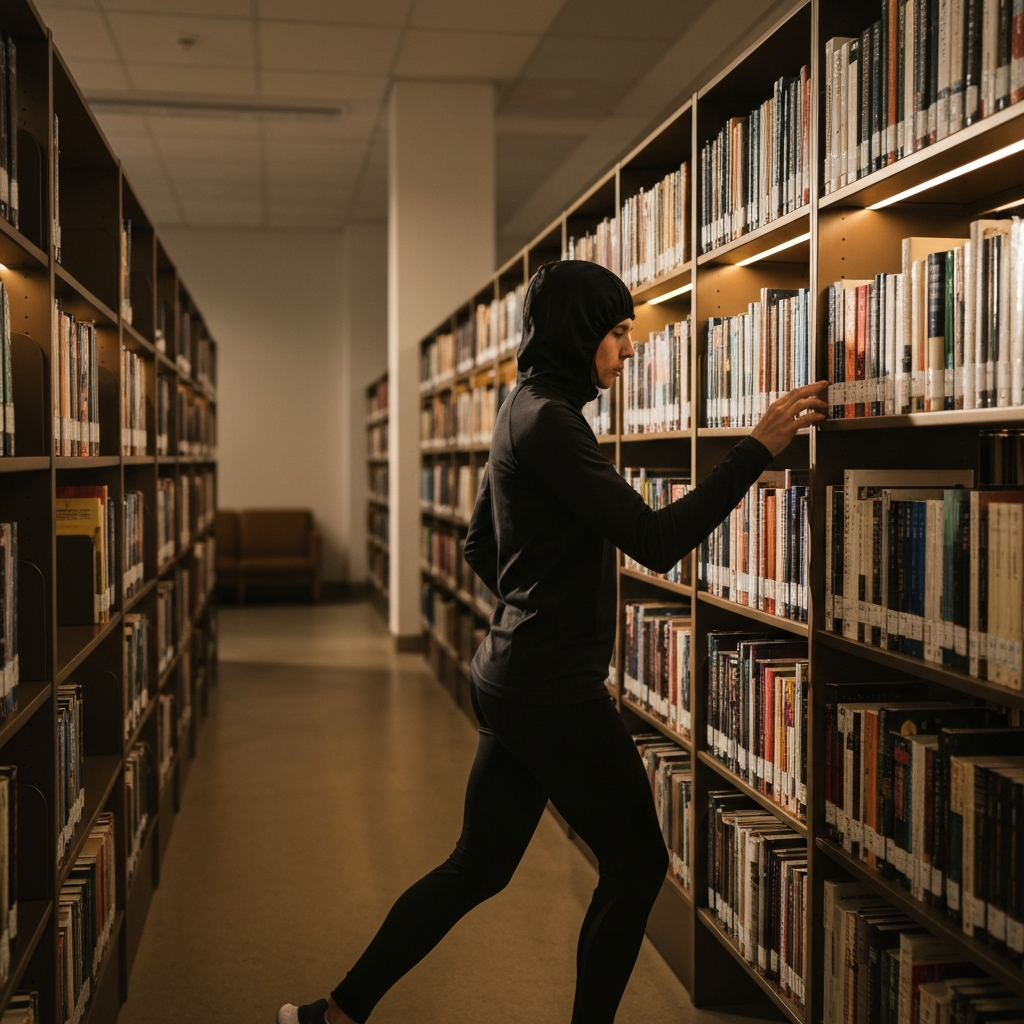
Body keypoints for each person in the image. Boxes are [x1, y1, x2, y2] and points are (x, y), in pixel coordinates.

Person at [279, 260, 826, 1024]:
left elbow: (477, 545)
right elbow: (652, 537)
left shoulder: (523, 406)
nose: (629, 350)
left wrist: (532, 607)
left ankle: (334, 1013)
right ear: (581, 334)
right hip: (551, 690)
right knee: (637, 865)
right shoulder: (553, 421)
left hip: (510, 673)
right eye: (617, 331)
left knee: (477, 867)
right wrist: (755, 450)